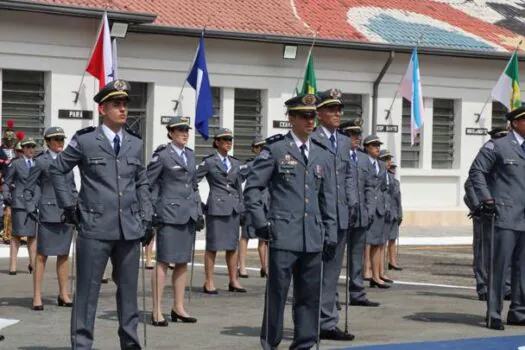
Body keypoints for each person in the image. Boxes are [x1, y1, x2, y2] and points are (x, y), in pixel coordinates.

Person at [49, 79, 154, 349]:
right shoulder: (85, 141)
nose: (122, 109)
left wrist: (147, 216)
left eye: (125, 104)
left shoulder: (134, 143)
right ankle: (82, 345)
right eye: (116, 104)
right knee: (86, 294)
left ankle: (130, 345)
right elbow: (58, 169)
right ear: (102, 109)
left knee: (129, 295)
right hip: (94, 227)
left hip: (128, 228)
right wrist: (69, 205)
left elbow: (141, 181)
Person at [244, 93, 338, 349]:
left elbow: (326, 198)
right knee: (277, 295)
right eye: (305, 116)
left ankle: (304, 344)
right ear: (292, 118)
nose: (311, 121)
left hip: (312, 237)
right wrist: (261, 222)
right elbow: (252, 189)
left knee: (309, 297)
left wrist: (330, 234)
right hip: (283, 234)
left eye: (313, 116)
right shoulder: (275, 150)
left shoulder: (321, 154)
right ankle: (270, 344)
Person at [469, 106, 525, 330]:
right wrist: (487, 200)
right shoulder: (498, 145)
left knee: (522, 269)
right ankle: (493, 313)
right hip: (505, 215)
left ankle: (518, 311)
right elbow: (477, 172)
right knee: (499, 267)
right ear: (515, 123)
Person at [147, 116, 204, 326]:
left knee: (182, 263)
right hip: (169, 215)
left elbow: (194, 186)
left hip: (187, 214)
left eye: (186, 130)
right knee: (163, 262)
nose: (184, 133)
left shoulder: (190, 155)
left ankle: (178, 307)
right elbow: (148, 183)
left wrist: (198, 211)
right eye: (179, 130)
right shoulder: (162, 155)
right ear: (170, 133)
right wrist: (151, 211)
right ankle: (156, 310)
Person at [311, 89, 356, 341]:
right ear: (318, 114)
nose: (337, 114)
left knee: (331, 273)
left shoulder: (344, 141)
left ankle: (327, 322)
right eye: (332, 109)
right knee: (312, 273)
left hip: (338, 216)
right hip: (317, 216)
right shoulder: (312, 138)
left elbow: (348, 175)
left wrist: (352, 203)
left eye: (340, 110)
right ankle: (309, 321)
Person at [23, 127, 76, 311]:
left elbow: (72, 186)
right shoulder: (41, 161)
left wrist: (75, 206)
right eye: (56, 139)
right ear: (47, 141)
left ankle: (64, 293)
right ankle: (37, 296)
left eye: (62, 138)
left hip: (65, 213)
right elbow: (29, 188)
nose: (60, 142)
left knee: (63, 255)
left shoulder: (67, 160)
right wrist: (31, 208)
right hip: (47, 213)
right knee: (41, 256)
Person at [196, 128, 246, 294]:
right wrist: (199, 203)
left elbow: (238, 186)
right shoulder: (210, 162)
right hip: (216, 208)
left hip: (232, 208)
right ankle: (209, 281)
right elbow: (193, 181)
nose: (228, 143)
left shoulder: (235, 162)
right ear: (216, 142)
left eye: (230, 140)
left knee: (232, 246)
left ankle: (233, 280)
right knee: (213, 246)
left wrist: (241, 207)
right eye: (224, 140)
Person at [464, 126, 510, 302]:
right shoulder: (487, 158)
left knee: (505, 250)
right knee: (484, 252)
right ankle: (483, 286)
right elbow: (470, 184)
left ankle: (506, 287)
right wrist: (479, 206)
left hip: (505, 213)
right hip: (484, 213)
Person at [339, 120, 380, 307]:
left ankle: (357, 292)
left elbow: (370, 186)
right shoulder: (338, 156)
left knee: (357, 257)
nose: (357, 138)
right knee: (336, 258)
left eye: (358, 135)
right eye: (352, 134)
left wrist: (369, 209)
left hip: (361, 215)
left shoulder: (363, 159)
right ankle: (331, 297)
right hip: (343, 214)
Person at [3, 137, 38, 275]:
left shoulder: (37, 163)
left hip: (34, 203)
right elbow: (7, 181)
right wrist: (6, 195)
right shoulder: (16, 164)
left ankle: (33, 264)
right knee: (16, 235)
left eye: (32, 147)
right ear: (22, 149)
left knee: (32, 235)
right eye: (28, 147)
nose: (31, 150)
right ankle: (13, 266)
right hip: (20, 203)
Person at [363, 135, 391, 289]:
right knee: (368, 242)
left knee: (378, 243)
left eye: (378, 145)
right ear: (366, 147)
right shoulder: (363, 161)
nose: (377, 148)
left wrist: (385, 205)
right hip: (367, 206)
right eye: (373, 145)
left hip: (379, 207)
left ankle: (376, 275)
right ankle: (367, 272)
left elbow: (384, 188)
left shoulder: (380, 164)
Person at [238, 136, 269, 279]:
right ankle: (242, 267)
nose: (263, 150)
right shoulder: (251, 165)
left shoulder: (270, 163)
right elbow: (237, 178)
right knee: (246, 236)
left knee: (265, 238)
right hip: (252, 204)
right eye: (259, 147)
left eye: (265, 147)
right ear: (254, 149)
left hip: (267, 203)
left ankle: (265, 267)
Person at [381, 154, 403, 271]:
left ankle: (392, 261)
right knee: (383, 240)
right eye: (391, 168)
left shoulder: (396, 182)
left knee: (393, 238)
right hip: (387, 213)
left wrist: (400, 214)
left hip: (395, 213)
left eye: (394, 168)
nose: (393, 170)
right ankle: (382, 263)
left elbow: (398, 200)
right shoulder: (387, 180)